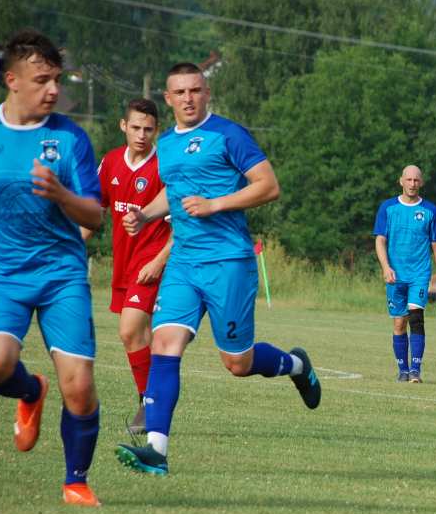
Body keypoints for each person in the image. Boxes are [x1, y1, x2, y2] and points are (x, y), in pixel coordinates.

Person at [115, 62, 322, 476]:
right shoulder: (169, 144)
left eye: (196, 90)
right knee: (164, 344)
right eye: (180, 92)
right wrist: (145, 215)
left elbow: (268, 185)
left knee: (237, 363)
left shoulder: (229, 135)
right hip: (184, 263)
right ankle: (156, 451)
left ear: (206, 93)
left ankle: (298, 366)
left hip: (228, 263)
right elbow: (173, 192)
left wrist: (216, 204)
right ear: (168, 99)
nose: (189, 98)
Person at [0, 29, 103, 507]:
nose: (53, 90)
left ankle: (76, 482)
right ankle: (30, 390)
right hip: (0, 276)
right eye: (42, 80)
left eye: (56, 79)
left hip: (60, 274)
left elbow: (95, 216)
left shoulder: (70, 138)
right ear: (11, 80)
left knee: (81, 387)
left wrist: (62, 195)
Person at [83, 98, 171, 434]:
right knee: (139, 337)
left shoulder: (164, 167)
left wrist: (159, 260)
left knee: (129, 331)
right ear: (124, 126)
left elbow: (180, 227)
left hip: (150, 263)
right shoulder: (110, 163)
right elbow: (96, 212)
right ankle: (152, 403)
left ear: (156, 131)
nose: (141, 134)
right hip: (123, 263)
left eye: (148, 129)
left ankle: (149, 408)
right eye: (135, 127)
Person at [373, 165, 436, 383]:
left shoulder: (430, 210)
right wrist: (385, 267)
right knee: (399, 323)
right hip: (395, 275)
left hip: (419, 273)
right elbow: (380, 240)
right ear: (401, 181)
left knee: (416, 316)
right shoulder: (387, 208)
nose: (412, 184)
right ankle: (403, 370)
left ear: (421, 183)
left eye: (416, 180)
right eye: (409, 180)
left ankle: (416, 370)